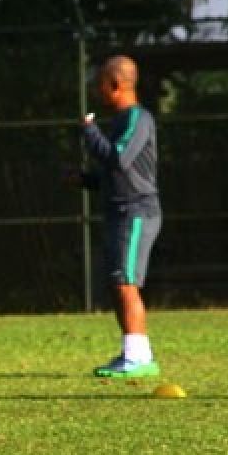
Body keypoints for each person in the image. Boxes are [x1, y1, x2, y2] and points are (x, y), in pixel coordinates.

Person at [78, 55, 161, 378]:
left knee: (126, 282)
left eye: (100, 85)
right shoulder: (122, 121)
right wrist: (84, 179)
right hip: (120, 210)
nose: (98, 92)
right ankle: (134, 352)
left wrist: (89, 130)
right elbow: (115, 174)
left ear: (115, 85)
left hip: (137, 211)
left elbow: (119, 159)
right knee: (119, 282)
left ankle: (139, 359)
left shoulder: (137, 119)